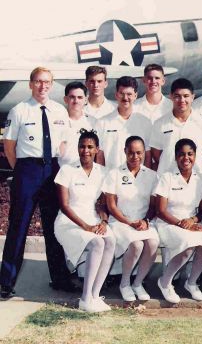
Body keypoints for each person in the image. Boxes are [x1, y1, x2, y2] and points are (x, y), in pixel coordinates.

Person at [1, 67, 75, 299]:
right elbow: (9, 146)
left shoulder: (59, 111)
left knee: (54, 227)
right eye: (38, 82)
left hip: (52, 169)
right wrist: (23, 171)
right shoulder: (20, 110)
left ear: (52, 85)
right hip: (28, 170)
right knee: (18, 226)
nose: (43, 86)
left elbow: (63, 143)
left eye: (47, 82)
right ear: (30, 84)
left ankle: (60, 278)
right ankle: (5, 282)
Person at [54, 131, 115, 312]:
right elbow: (64, 206)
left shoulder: (103, 172)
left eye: (90, 147)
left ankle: (95, 296)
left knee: (111, 241)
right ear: (78, 148)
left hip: (94, 220)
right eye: (82, 146)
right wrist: (86, 227)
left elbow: (103, 205)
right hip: (68, 222)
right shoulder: (66, 170)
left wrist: (103, 222)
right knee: (96, 242)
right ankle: (85, 298)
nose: (85, 150)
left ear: (97, 150)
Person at [155, 139, 202, 304]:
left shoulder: (201, 179)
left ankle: (191, 282)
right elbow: (160, 211)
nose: (186, 158)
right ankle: (165, 282)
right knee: (188, 244)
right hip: (168, 223)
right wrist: (182, 223)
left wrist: (193, 220)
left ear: (195, 156)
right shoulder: (166, 177)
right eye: (181, 154)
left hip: (190, 224)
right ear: (175, 157)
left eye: (190, 154)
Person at [102, 135, 160, 302]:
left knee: (153, 243)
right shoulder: (114, 173)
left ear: (144, 153)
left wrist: (145, 221)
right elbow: (111, 206)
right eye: (131, 153)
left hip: (143, 223)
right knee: (135, 244)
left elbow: (153, 205)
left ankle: (138, 283)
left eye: (139, 153)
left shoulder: (151, 175)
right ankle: (125, 284)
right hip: (120, 222)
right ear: (125, 152)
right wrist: (129, 222)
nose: (135, 157)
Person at [150, 78, 202, 174]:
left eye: (186, 96)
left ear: (192, 97)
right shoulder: (159, 123)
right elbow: (157, 153)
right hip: (168, 180)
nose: (182, 100)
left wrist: (195, 175)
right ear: (171, 97)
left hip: (196, 181)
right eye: (177, 96)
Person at [96, 76, 152, 170]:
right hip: (112, 179)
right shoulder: (102, 123)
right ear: (116, 95)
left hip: (138, 180)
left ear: (135, 95)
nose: (125, 98)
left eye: (129, 94)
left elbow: (148, 154)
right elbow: (100, 155)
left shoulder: (145, 122)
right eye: (122, 93)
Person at [60, 81, 96, 167]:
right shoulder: (56, 122)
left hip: (87, 172)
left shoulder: (94, 122)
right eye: (72, 97)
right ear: (65, 99)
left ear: (86, 100)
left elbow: (99, 152)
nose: (76, 101)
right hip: (62, 172)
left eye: (80, 97)